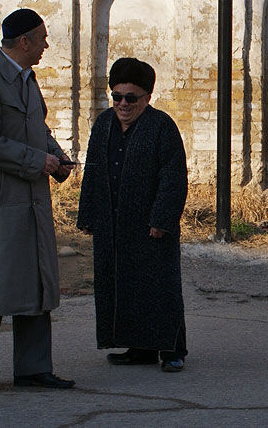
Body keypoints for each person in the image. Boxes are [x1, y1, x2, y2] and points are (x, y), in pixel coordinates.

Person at [0, 8, 75, 391]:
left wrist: (56, 158)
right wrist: (39, 160)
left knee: (36, 282)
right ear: (24, 42)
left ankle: (33, 368)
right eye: (42, 38)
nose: (46, 46)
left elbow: (36, 128)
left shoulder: (25, 79)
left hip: (31, 199)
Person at [77, 58, 189, 372]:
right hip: (112, 222)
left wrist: (162, 219)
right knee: (121, 285)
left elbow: (173, 177)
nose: (123, 104)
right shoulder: (103, 125)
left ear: (147, 98)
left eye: (131, 98)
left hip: (151, 224)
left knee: (159, 287)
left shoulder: (161, 126)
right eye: (117, 97)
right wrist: (87, 215)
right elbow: (94, 170)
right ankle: (139, 348)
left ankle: (171, 350)